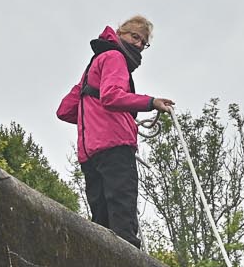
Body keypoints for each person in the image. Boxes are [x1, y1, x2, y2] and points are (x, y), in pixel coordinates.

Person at [56, 15, 174, 248]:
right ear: (120, 34)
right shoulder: (115, 57)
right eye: (135, 37)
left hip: (89, 154)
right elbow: (111, 96)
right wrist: (151, 102)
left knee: (101, 220)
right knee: (122, 217)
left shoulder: (94, 64)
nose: (139, 44)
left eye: (144, 42)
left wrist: (93, 117)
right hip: (115, 147)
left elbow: (66, 110)